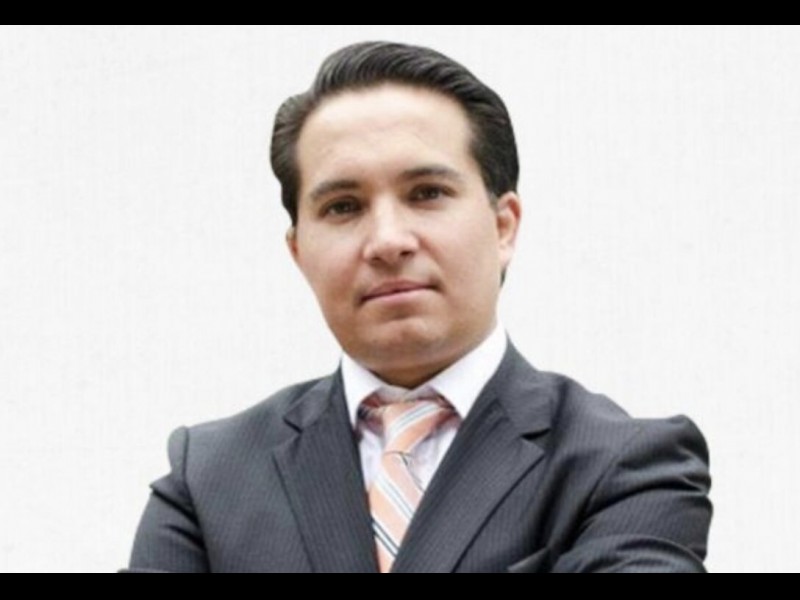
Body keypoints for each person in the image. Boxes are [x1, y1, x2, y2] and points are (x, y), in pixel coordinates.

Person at [121, 41, 713, 573]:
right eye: (343, 207)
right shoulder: (210, 479)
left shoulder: (626, 468)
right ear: (299, 252)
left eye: (427, 193)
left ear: (503, 226)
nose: (387, 241)